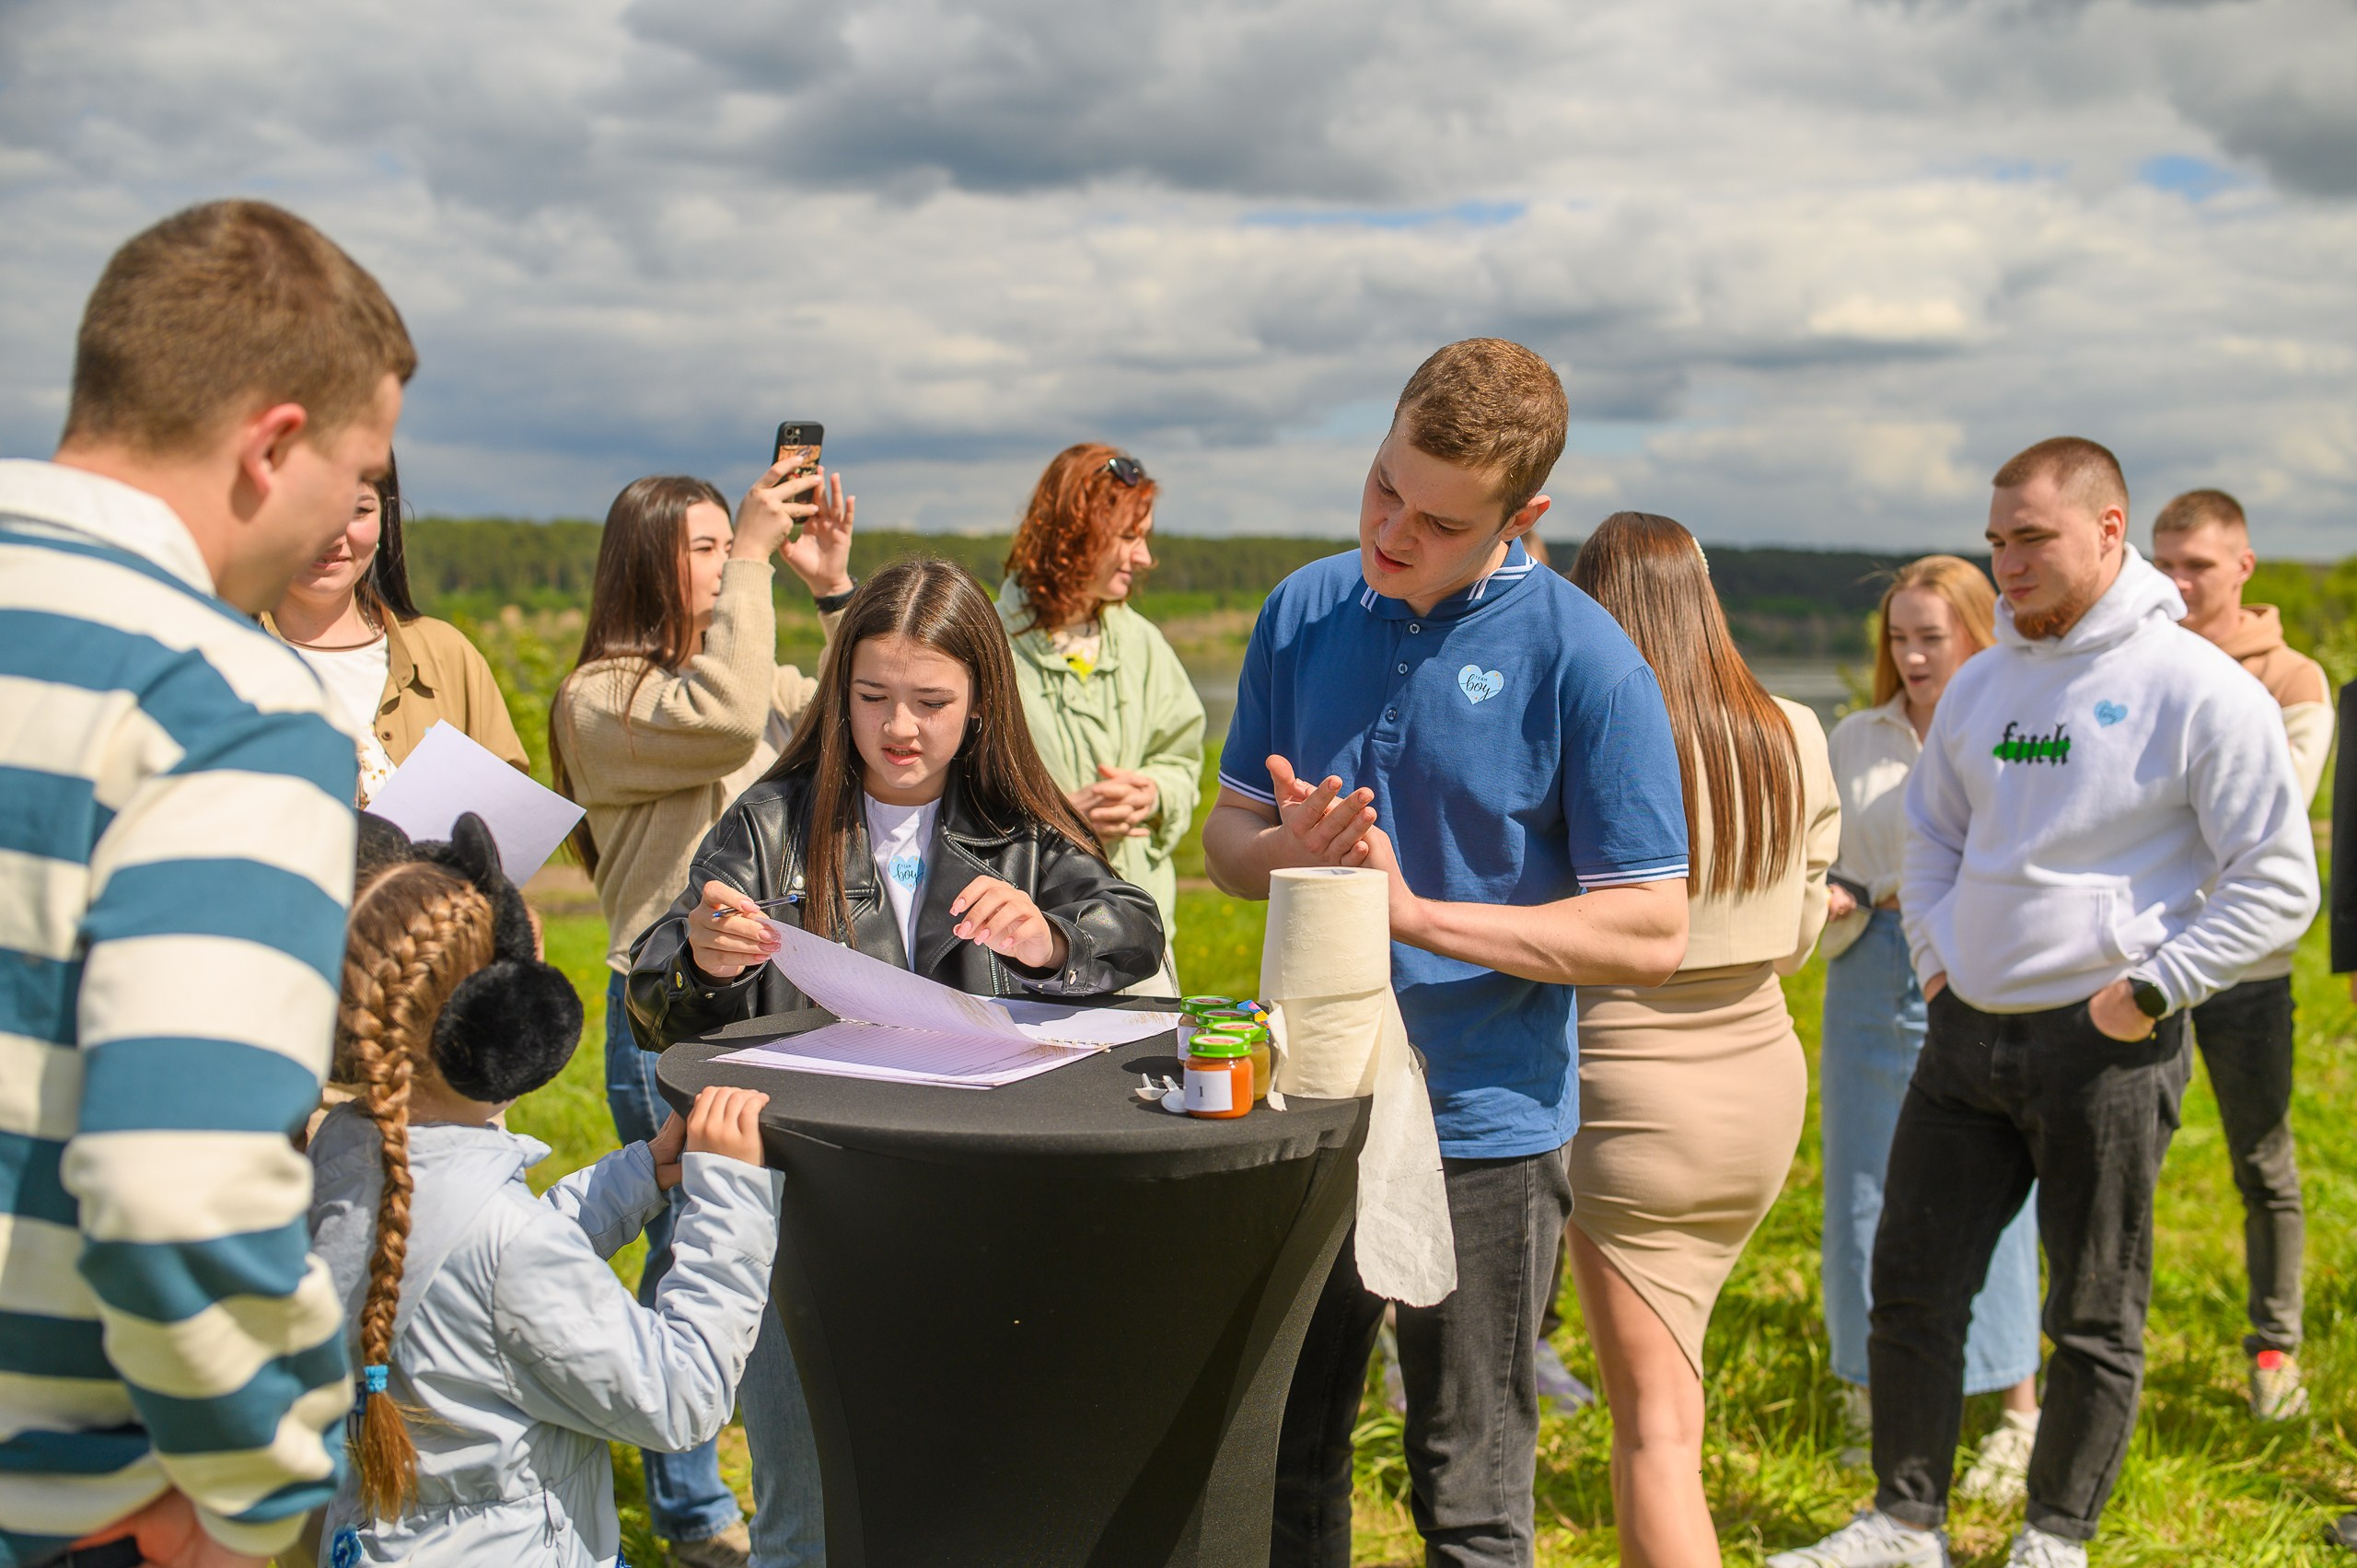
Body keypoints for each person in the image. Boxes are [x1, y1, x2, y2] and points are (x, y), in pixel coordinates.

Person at [1770, 437, 2317, 1568]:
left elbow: (2276, 880)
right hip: (1962, 1032)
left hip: (2106, 1042)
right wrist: (1933, 960)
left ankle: (2054, 1534)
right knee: (1911, 1286)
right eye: (1994, 540)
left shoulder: (2194, 687)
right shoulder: (1981, 682)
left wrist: (2151, 987)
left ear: (2109, 530)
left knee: (2095, 1306)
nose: (2006, 562)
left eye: (2032, 538)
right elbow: (1930, 833)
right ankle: (1904, 1521)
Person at [1203, 339, 1692, 1568]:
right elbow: (1225, 840)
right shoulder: (1303, 609)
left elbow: (1650, 928)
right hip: (1308, 1103)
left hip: (1486, 1123)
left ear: (1523, 516)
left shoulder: (1587, 660)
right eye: (1381, 487)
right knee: (1279, 1458)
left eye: (1435, 518)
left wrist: (1409, 911)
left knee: (1468, 1487)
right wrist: (1294, 852)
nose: (1390, 531)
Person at [0, 199, 411, 1567]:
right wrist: (249, 1486)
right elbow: (175, 1186)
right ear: (272, 443)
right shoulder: (223, 701)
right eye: (353, 469)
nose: (343, 518)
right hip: (81, 1500)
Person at [308, 815, 779, 1567]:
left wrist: (634, 1176)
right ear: (498, 1020)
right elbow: (681, 1394)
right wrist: (730, 1195)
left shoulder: (344, 1157)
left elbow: (481, 1278)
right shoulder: (505, 1245)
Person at [550, 466, 853, 1568]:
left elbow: (846, 719)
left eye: (734, 541)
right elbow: (729, 721)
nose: (727, 561)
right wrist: (762, 562)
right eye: (706, 546)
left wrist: (827, 592)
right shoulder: (603, 698)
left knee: (763, 1237)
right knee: (684, 1231)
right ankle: (690, 1510)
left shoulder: (738, 665)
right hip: (666, 1008)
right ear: (642, 559)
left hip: (776, 1009)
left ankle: (747, 1475)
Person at [1564, 513, 1840, 1566]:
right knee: (1676, 1387)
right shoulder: (1794, 730)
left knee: (1654, 1427)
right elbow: (1802, 931)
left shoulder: (1587, 734)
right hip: (1759, 1079)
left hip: (1629, 1089)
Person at [626, 555, 1166, 1040]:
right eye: (873, 696)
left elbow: (1137, 929)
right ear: (841, 692)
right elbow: (650, 1006)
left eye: (931, 701)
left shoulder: (1023, 827)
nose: (898, 727)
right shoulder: (769, 824)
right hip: (822, 1131)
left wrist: (1051, 942)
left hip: (981, 1133)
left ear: (981, 701)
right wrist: (704, 964)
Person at [1817, 557, 2044, 1501]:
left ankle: (2016, 1409)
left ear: (1976, 634)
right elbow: (1820, 851)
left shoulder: (2019, 729)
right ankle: (1872, 1388)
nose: (1910, 655)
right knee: (1864, 1187)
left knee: (1994, 1194)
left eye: (1930, 636)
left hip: (1981, 972)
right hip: (1871, 970)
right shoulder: (1853, 737)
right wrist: (1831, 893)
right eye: (1897, 637)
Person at [2149, 488, 2336, 1419]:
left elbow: (2265, 824)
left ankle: (2274, 1353)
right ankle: (2102, 1348)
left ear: (2243, 567)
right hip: (2134, 967)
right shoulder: (2137, 662)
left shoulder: (2292, 679)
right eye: (2163, 564)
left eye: (2197, 566)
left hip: (2245, 971)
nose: (2177, 584)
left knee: (2261, 1160)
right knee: (2114, 1166)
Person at [996, 444, 1205, 990]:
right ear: (1075, 533)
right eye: (1129, 538)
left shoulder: (1144, 645)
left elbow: (1181, 760)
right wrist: (1061, 819)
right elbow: (952, 804)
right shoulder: (988, 649)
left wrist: (1154, 794)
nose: (1144, 559)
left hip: (1136, 946)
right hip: (1023, 953)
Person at [268, 450, 527, 802]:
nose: (332, 535)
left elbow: (506, 813)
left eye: (358, 511)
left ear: (384, 520)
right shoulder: (214, 658)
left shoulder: (447, 655)